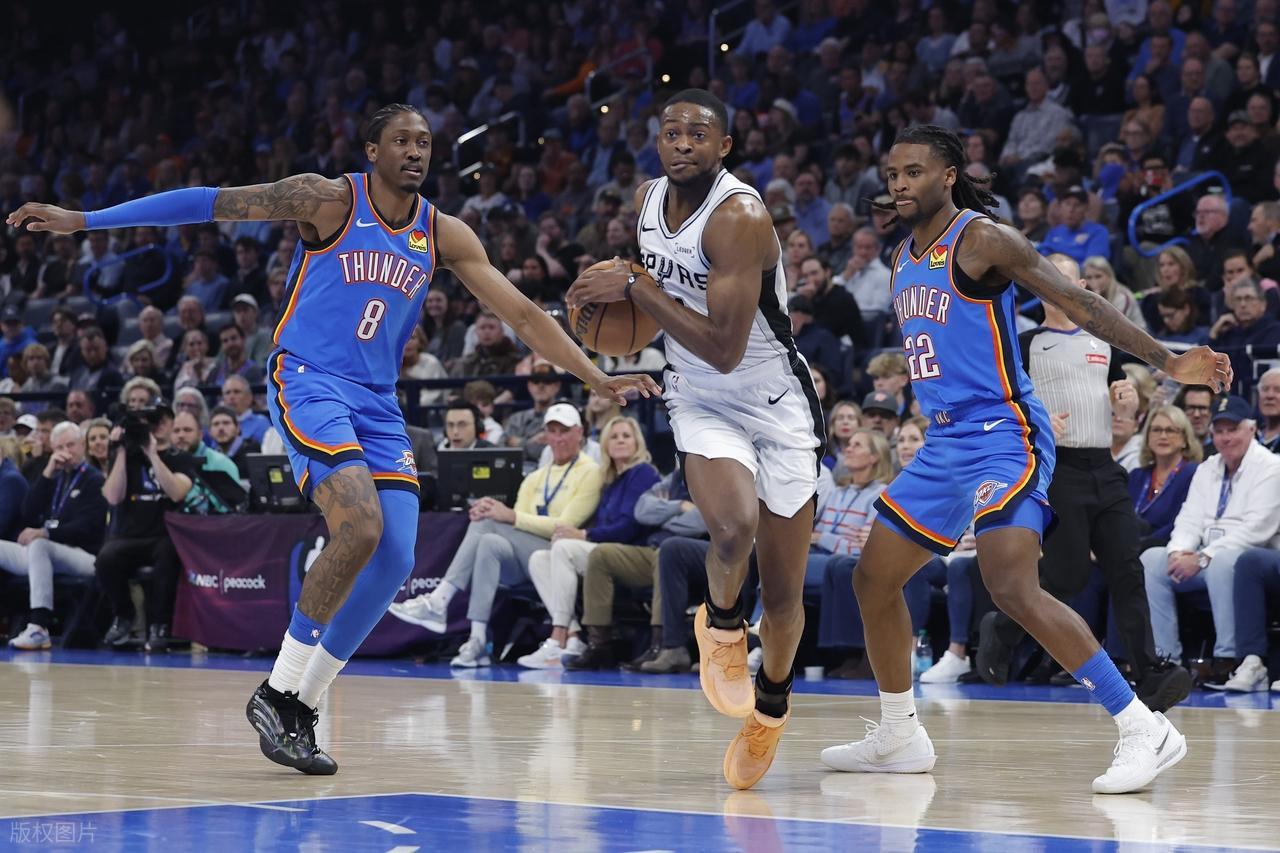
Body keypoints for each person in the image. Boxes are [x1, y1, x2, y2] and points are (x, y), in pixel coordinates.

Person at [6, 102, 656, 776]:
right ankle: (279, 687)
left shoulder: (443, 232)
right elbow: (207, 203)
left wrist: (596, 377)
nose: (415, 151)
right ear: (372, 150)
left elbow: (521, 312)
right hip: (309, 379)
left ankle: (298, 701)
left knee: (395, 556)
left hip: (378, 401)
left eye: (424, 141)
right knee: (360, 525)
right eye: (401, 140)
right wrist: (84, 221)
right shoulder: (326, 200)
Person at [816, 125, 1229, 794]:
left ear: (948, 176)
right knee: (872, 577)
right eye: (892, 173)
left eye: (914, 172)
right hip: (943, 440)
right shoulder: (900, 257)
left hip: (1003, 432)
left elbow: (1079, 302)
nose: (899, 184)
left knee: (1011, 585)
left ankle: (1143, 726)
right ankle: (899, 733)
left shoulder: (983, 238)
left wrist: (1166, 359)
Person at [568, 89, 826, 791]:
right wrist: (606, 304)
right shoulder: (649, 200)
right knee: (733, 529)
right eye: (671, 131)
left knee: (785, 593)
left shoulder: (739, 216)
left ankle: (770, 710)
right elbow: (669, 314)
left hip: (774, 400)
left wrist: (636, 287)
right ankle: (721, 623)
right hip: (701, 396)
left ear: (724, 147)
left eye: (699, 134)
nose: (683, 143)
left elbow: (724, 345)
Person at [987, 253, 1192, 712]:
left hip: (1104, 466)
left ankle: (1149, 671)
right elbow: (1004, 405)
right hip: (1059, 469)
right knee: (1066, 577)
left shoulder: (1103, 341)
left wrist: (1127, 402)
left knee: (1128, 569)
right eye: (1047, 279)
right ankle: (1000, 630)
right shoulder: (1025, 344)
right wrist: (1036, 422)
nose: (1057, 287)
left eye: (1065, 279)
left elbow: (1118, 398)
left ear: (1082, 287)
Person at [390, 403, 604, 661]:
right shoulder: (536, 477)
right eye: (553, 431)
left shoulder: (591, 471)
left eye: (565, 431)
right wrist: (501, 514)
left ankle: (440, 601)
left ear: (580, 432)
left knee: (487, 523)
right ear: (545, 435)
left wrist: (508, 515)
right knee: (489, 541)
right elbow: (517, 524)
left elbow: (565, 526)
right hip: (528, 558)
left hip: (562, 554)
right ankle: (477, 638)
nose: (558, 438)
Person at [1141, 395, 1280, 687]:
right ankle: (1166, 660)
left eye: (1233, 429)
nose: (1226, 438)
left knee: (1224, 561)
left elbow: (1258, 529)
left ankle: (1228, 659)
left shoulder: (1271, 466)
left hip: (1247, 556)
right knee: (1151, 560)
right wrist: (1178, 552)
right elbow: (1189, 518)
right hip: (1201, 556)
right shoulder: (1207, 467)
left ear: (1251, 429)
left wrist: (1204, 557)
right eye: (1219, 431)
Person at [520, 416, 660, 670]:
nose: (620, 441)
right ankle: (573, 637)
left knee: (564, 547)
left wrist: (583, 535)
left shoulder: (643, 473)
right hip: (606, 549)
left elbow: (629, 526)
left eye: (626, 436)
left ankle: (558, 634)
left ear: (637, 442)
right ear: (605, 444)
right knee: (539, 558)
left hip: (634, 551)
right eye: (614, 436)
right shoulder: (610, 478)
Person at [97, 399, 193, 653]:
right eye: (150, 420)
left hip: (164, 534)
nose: (155, 424)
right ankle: (123, 616)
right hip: (129, 535)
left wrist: (152, 454)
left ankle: (159, 625)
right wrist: (119, 452)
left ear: (171, 423)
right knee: (106, 558)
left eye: (161, 419)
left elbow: (176, 493)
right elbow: (112, 497)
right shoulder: (127, 457)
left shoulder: (180, 458)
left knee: (167, 555)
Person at [0, 421, 107, 650]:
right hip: (45, 555)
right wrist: (47, 474)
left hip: (85, 555)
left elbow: (87, 527)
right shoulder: (55, 478)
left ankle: (39, 626)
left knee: (39, 544)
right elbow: (27, 512)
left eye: (71, 445)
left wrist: (47, 532)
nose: (65, 452)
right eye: (59, 447)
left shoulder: (95, 479)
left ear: (82, 445)